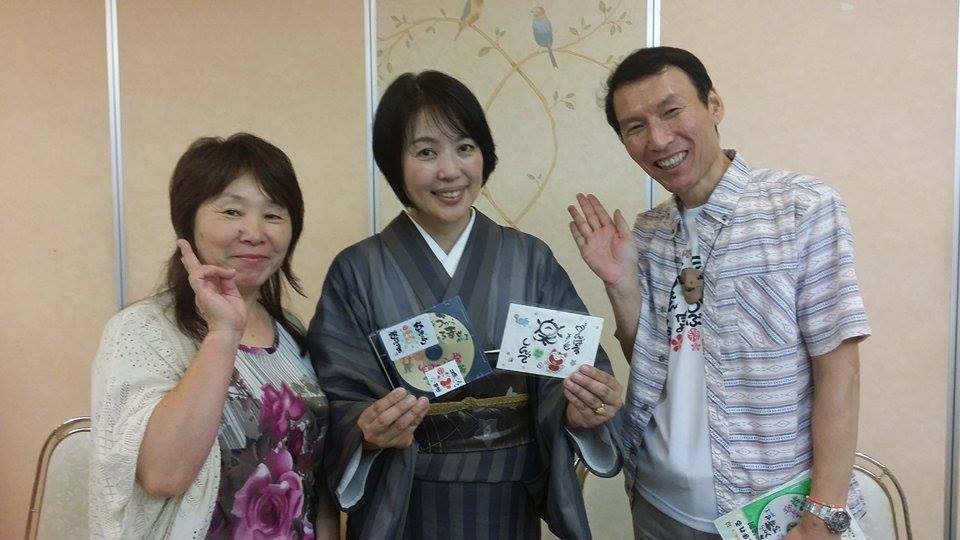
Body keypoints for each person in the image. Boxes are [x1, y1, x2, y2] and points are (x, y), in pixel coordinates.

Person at [568, 47, 870, 539]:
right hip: (656, 504)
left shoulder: (801, 208)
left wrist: (823, 516)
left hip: (770, 513)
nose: (658, 139)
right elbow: (653, 360)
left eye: (672, 111)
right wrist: (621, 285)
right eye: (635, 126)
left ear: (714, 106)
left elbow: (840, 371)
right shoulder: (648, 233)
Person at [309, 70, 622, 539]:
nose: (450, 170)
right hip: (405, 506)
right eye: (426, 152)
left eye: (465, 147)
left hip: (508, 504)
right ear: (394, 161)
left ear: (484, 155)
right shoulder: (358, 270)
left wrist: (579, 408)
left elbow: (573, 369)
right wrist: (367, 430)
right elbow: (337, 396)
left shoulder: (529, 259)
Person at [89, 133, 337, 538]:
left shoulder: (293, 334)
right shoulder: (141, 332)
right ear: (188, 220)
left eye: (274, 215)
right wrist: (223, 333)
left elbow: (316, 481)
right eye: (232, 211)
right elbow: (162, 476)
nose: (254, 232)